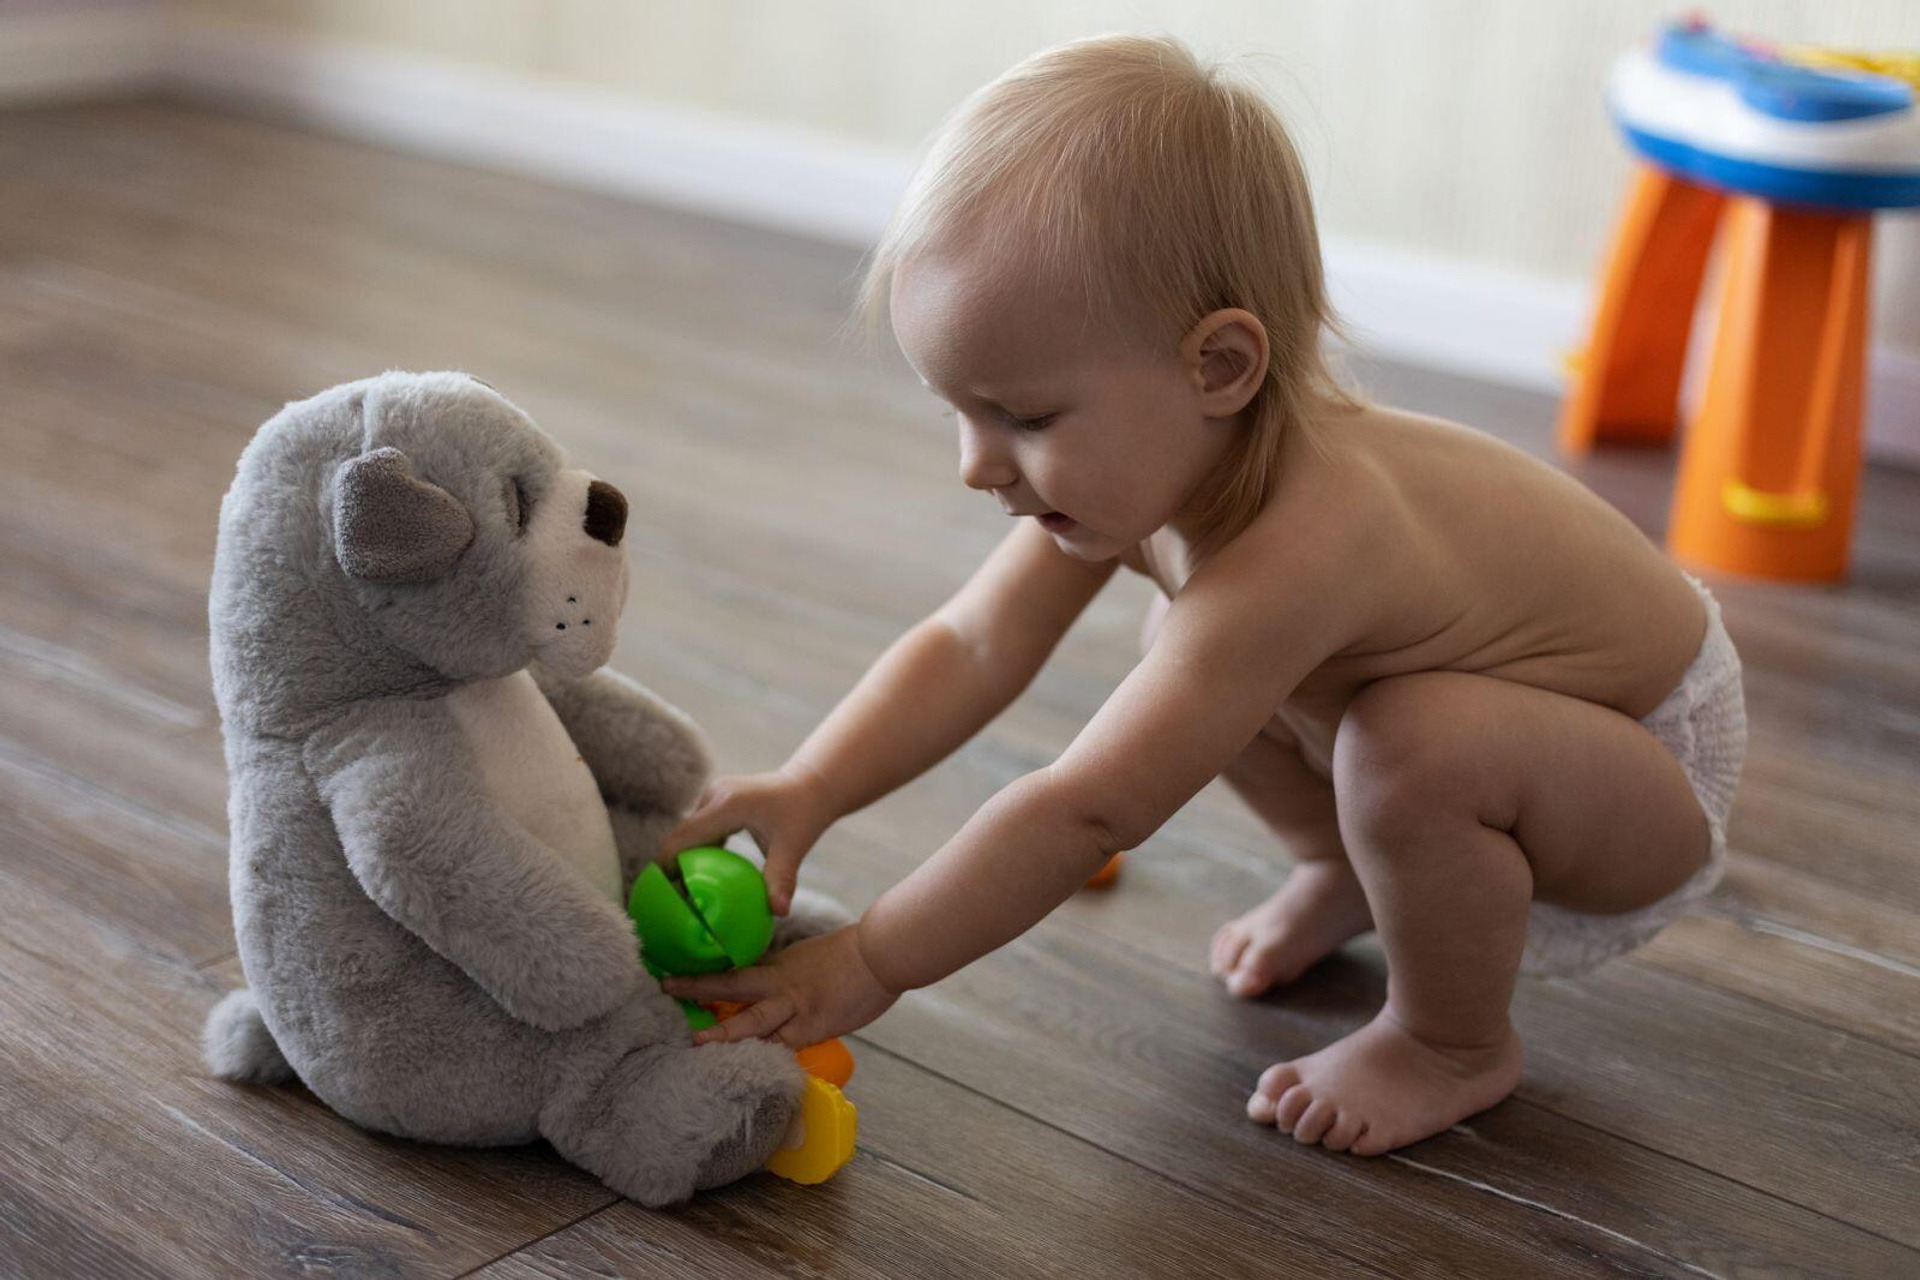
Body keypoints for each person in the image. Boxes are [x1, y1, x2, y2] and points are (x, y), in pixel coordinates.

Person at [657, 33, 1746, 1156]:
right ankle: (1346, 864)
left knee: (1399, 739)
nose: (977, 466)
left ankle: (1449, 1040)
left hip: (1646, 755)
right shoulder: (1150, 474)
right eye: (959, 412)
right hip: (1517, 722)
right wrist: (810, 783)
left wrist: (871, 957)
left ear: (1220, 367)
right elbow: (973, 645)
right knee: (1190, 639)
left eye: (1024, 417)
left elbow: (1087, 807)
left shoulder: (1312, 539)